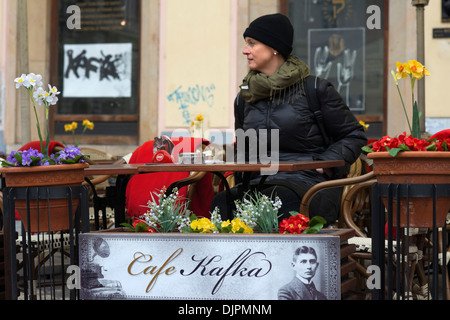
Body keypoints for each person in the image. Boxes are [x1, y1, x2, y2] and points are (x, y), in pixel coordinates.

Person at [210, 13, 367, 225]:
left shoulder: (314, 89)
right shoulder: (245, 97)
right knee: (221, 204)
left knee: (279, 201)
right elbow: (245, 147)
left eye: (252, 43)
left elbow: (353, 134)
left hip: (308, 183)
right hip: (257, 182)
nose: (245, 50)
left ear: (274, 47)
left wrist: (325, 162)